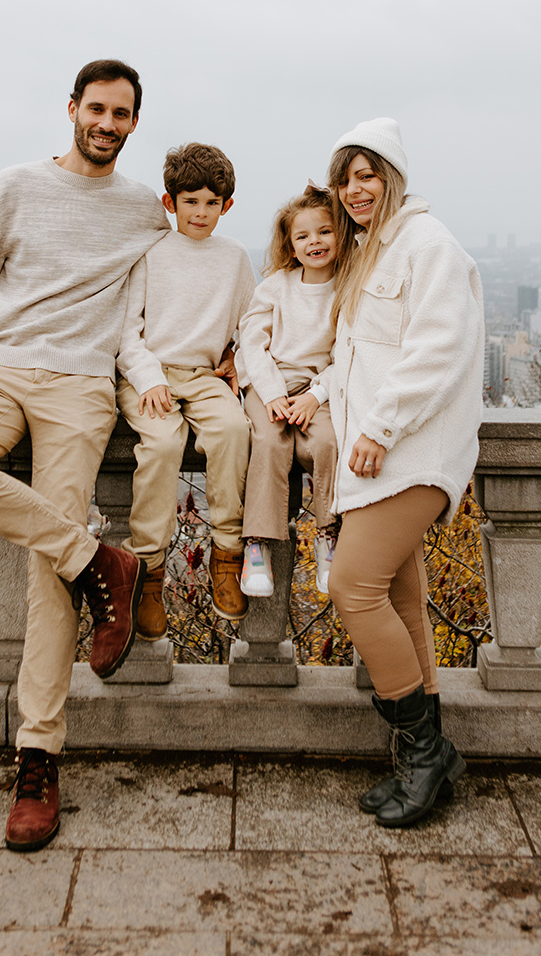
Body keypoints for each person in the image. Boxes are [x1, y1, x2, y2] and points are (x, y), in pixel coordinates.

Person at [0, 58, 170, 853]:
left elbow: (175, 293)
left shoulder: (146, 214)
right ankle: (102, 560)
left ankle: (38, 756)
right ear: (71, 109)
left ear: (134, 122)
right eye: (95, 109)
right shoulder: (16, 185)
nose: (106, 124)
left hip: (78, 387)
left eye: (120, 114)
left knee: (44, 572)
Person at [323, 118, 484, 828]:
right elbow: (356, 357)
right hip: (373, 457)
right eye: (345, 177)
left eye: (368, 174)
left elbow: (437, 352)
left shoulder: (427, 245)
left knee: (351, 588)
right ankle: (431, 759)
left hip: (409, 453)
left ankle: (421, 751)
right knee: (401, 597)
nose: (355, 189)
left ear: (394, 176)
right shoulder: (366, 252)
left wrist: (381, 427)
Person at [116, 142, 255, 633]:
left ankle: (226, 552)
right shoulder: (151, 254)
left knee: (234, 432)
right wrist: (149, 377)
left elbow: (252, 323)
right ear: (169, 202)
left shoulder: (235, 258)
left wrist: (239, 357)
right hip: (150, 374)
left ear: (226, 206)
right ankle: (149, 570)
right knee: (160, 443)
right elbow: (125, 331)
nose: (200, 212)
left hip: (204, 376)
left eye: (211, 203)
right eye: (190, 201)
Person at [237, 185, 340, 598]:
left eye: (324, 231)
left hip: (320, 389)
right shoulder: (277, 286)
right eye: (303, 236)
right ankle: (258, 544)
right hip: (271, 383)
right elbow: (252, 342)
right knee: (268, 442)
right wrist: (272, 393)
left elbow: (350, 355)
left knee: (329, 442)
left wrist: (317, 395)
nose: (314, 241)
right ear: (290, 245)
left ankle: (330, 535)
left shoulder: (349, 288)